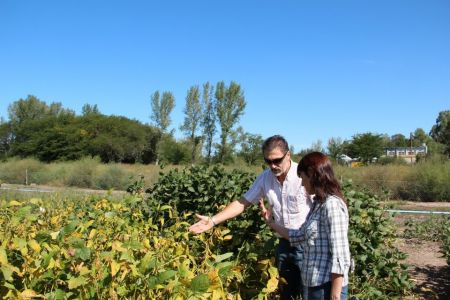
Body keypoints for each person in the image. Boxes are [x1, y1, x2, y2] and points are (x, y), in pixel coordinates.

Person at [189, 135, 312, 300]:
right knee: (286, 294)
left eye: (277, 160)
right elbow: (242, 202)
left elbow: (323, 206)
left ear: (288, 155)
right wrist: (213, 221)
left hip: (309, 245)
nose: (273, 166)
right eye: (268, 161)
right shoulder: (265, 178)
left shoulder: (303, 176)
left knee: (310, 294)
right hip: (284, 244)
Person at [260, 152, 351, 300]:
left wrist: (335, 295)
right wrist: (271, 223)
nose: (302, 184)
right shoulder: (318, 204)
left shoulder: (332, 205)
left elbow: (340, 255)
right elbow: (298, 236)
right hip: (314, 285)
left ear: (312, 174)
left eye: (302, 178)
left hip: (327, 287)